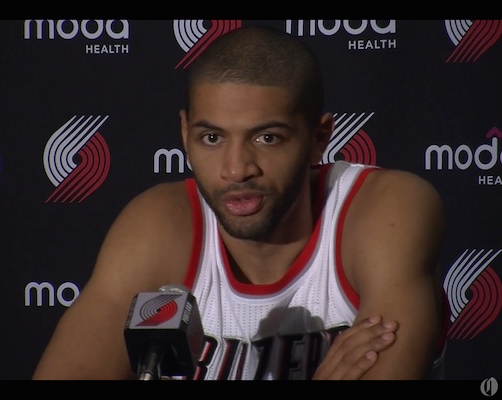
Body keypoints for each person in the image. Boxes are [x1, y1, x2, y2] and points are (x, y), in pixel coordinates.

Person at [32, 25, 448, 380]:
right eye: (212, 138)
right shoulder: (159, 224)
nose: (236, 170)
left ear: (318, 138)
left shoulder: (384, 208)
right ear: (185, 134)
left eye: (267, 138)